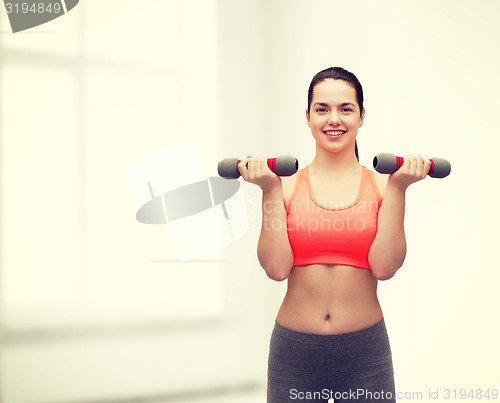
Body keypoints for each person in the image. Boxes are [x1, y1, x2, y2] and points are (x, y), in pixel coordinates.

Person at [237, 67, 431, 403]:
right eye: (322, 109)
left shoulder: (384, 185)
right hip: (295, 351)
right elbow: (275, 268)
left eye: (345, 108)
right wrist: (268, 189)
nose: (333, 119)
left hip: (364, 351)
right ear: (308, 116)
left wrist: (400, 187)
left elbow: (384, 267)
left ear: (361, 115)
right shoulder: (284, 185)